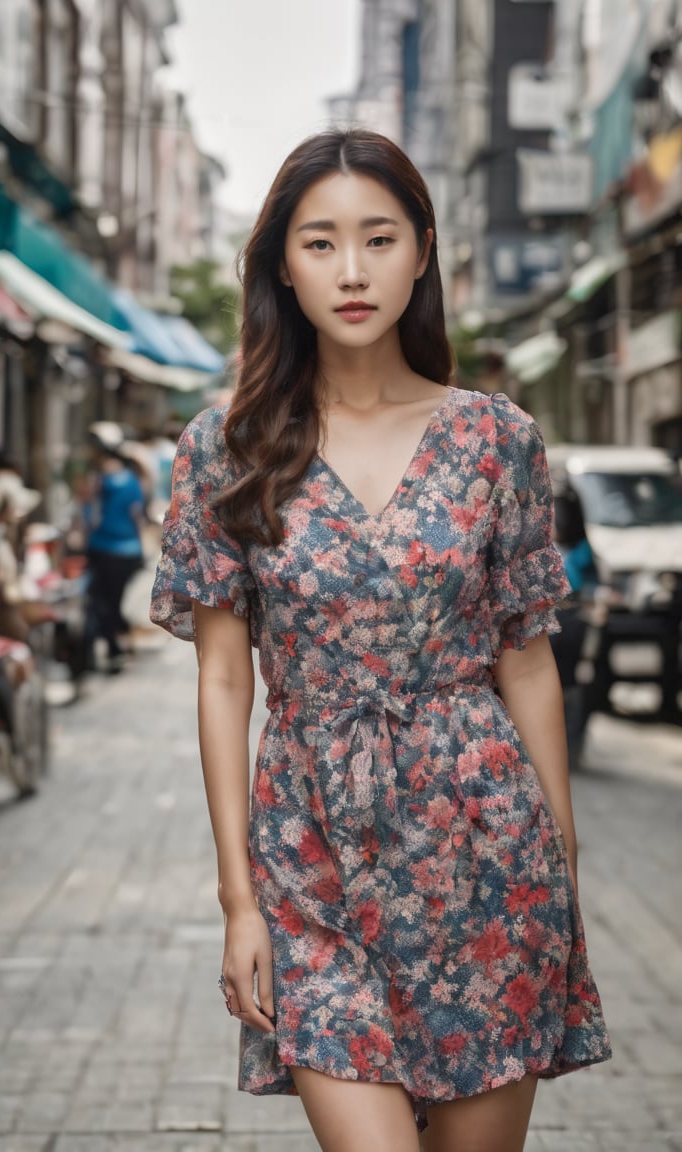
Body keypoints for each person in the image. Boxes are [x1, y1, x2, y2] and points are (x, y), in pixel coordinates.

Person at [150, 130, 611, 1152]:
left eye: (378, 238)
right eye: (319, 243)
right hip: (311, 857)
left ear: (423, 250)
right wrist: (238, 902)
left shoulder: (498, 440)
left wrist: (563, 870)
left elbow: (526, 657)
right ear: (281, 263)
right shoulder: (224, 448)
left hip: (489, 854)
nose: (352, 271)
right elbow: (224, 679)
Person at [83, 424, 145, 674]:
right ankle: (118, 644)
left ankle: (115, 646)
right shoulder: (132, 481)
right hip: (127, 550)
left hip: (103, 547)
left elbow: (91, 515)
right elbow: (137, 515)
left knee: (103, 601)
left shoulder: (99, 482)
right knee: (114, 600)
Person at [550, 483, 600, 768]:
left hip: (573, 621)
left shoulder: (581, 550)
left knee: (573, 686)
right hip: (546, 620)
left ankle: (572, 746)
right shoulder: (539, 546)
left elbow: (594, 587)